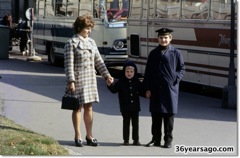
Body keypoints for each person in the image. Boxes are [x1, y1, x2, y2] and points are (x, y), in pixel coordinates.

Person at [64, 14, 114, 147]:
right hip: (78, 80)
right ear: (79, 28)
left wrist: (107, 76)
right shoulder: (71, 43)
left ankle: (89, 135)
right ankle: (78, 135)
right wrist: (71, 81)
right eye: (87, 28)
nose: (89, 31)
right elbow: (68, 65)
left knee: (89, 107)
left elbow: (99, 61)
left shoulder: (92, 42)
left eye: (90, 28)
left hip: (90, 79)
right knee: (77, 108)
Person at [143, 28, 185, 148]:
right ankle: (155, 139)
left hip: (169, 90)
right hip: (155, 89)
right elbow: (148, 72)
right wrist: (147, 89)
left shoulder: (176, 53)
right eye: (161, 38)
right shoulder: (153, 53)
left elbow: (182, 68)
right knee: (155, 116)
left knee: (168, 117)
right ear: (158, 39)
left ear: (170, 38)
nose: (163, 40)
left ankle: (168, 141)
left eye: (166, 37)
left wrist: (175, 79)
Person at [107, 61, 143, 146]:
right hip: (125, 107)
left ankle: (136, 140)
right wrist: (109, 85)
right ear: (124, 72)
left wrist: (147, 93)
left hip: (135, 107)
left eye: (131, 72)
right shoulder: (121, 81)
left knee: (135, 124)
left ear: (135, 72)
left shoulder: (137, 81)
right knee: (126, 123)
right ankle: (126, 140)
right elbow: (114, 90)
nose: (129, 73)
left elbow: (141, 91)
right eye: (127, 71)